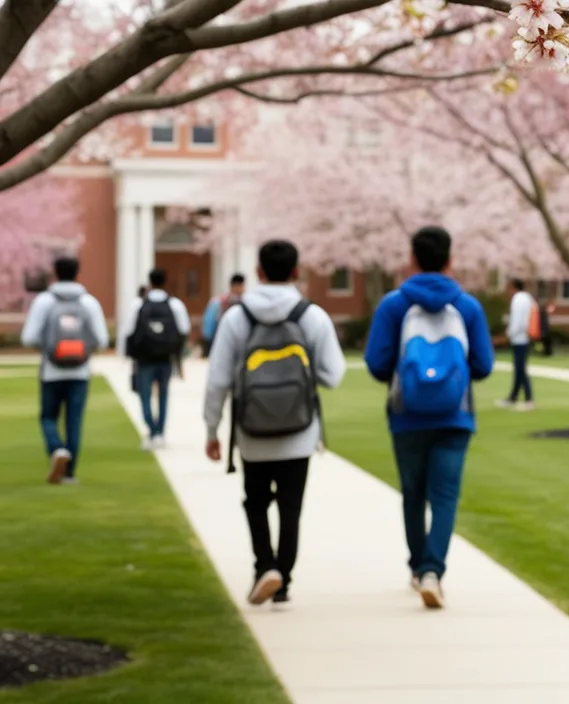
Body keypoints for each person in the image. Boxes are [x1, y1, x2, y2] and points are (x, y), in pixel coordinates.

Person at [204, 240, 346, 606]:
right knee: (291, 506)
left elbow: (218, 379)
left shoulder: (237, 317)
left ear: (259, 272)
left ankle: (264, 565)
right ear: (296, 272)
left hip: (251, 432)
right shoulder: (310, 316)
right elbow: (333, 374)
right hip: (299, 430)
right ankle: (282, 579)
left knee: (255, 502)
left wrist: (211, 429)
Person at [363, 226, 494, 609]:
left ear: (412, 259)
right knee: (445, 495)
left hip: (407, 416)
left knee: (413, 494)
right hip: (455, 416)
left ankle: (419, 569)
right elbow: (483, 365)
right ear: (450, 259)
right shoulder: (467, 307)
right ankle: (434, 570)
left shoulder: (393, 305)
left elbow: (376, 363)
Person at [20, 257, 109, 485]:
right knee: (74, 421)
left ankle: (56, 448)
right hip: (80, 371)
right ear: (78, 272)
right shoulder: (89, 303)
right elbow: (102, 339)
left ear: (55, 273)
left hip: (51, 371)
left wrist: (49, 344)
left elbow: (28, 337)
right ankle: (69, 474)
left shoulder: (44, 301)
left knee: (48, 416)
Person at [119, 269, 190, 450]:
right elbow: (184, 329)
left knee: (145, 395)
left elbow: (128, 330)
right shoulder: (175, 304)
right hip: (165, 357)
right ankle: (160, 432)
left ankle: (152, 430)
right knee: (164, 394)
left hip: (144, 358)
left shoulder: (139, 304)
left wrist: (127, 354)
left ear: (149, 282)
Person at [498, 278, 535, 410]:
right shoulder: (528, 298)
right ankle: (513, 397)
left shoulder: (518, 300)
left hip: (519, 338)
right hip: (525, 337)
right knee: (519, 369)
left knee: (520, 369)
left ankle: (529, 399)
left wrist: (509, 334)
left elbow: (518, 321)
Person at [201, 273, 246, 358]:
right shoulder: (219, 303)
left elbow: (208, 327)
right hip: (226, 343)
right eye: (241, 286)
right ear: (237, 286)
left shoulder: (218, 302)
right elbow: (209, 326)